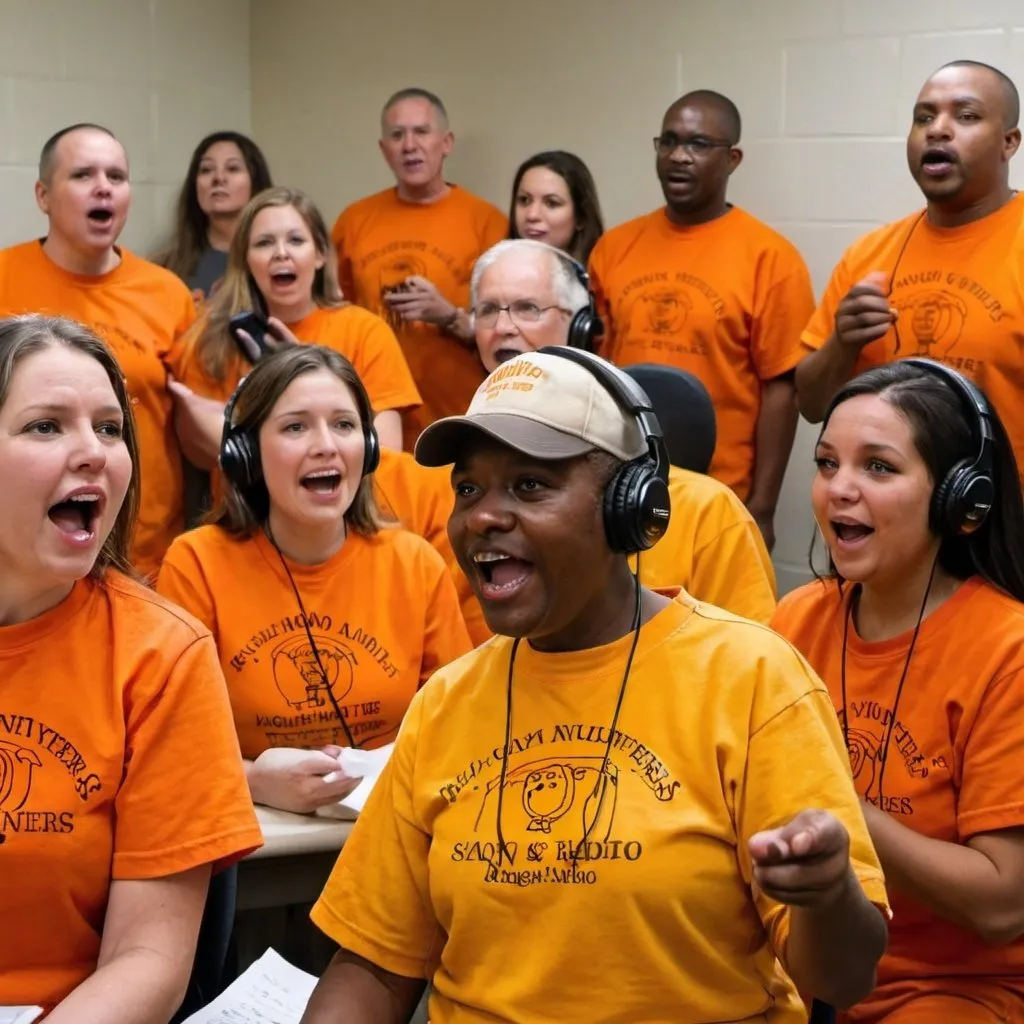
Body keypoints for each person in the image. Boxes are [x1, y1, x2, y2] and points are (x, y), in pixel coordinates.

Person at [299, 348, 888, 1023]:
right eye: (469, 489)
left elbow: (844, 974)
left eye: (528, 486)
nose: (483, 516)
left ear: (627, 510)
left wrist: (825, 892)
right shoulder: (445, 703)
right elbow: (374, 965)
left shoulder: (751, 677)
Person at [0, 314, 262, 1020]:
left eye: (111, 429)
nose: (94, 452)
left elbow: (147, 962)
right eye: (46, 426)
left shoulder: (160, 653)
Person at [773, 359, 1024, 1022]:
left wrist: (841, 810)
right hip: (798, 973)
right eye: (828, 464)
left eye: (878, 468)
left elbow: (1003, 904)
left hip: (950, 989)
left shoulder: (1010, 648)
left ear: (960, 501)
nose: (839, 490)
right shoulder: (796, 617)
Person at [157, 345, 471, 815]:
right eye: (295, 426)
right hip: (256, 848)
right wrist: (252, 781)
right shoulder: (196, 563)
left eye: (343, 424)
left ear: (366, 450)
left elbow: (459, 728)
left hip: (391, 830)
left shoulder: (415, 564)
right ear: (247, 455)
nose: (325, 444)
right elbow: (169, 745)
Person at [470, 238, 777, 623]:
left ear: (583, 327)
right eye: (487, 311)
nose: (503, 327)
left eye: (527, 308)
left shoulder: (706, 514)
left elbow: (752, 667)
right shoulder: (458, 505)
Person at [588, 90, 815, 551]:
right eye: (668, 142)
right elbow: (597, 366)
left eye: (697, 145)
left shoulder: (770, 259)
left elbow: (782, 389)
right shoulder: (614, 248)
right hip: (619, 486)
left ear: (732, 159)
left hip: (718, 494)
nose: (678, 157)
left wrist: (762, 507)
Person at [796, 61, 1024, 465]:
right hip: (884, 514)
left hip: (1004, 515)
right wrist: (842, 344)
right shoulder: (868, 255)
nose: (937, 129)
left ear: (1009, 142)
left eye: (966, 116)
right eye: (924, 117)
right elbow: (812, 405)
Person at [0, 123, 198, 579]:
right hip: (24, 559)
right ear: (43, 195)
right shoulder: (6, 276)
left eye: (117, 176)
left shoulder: (168, 292)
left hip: (145, 556)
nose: (103, 188)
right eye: (84, 175)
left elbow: (194, 435)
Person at [168, 186, 420, 497]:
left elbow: (386, 455)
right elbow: (202, 457)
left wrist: (296, 374)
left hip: (343, 520)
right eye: (263, 243)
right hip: (244, 523)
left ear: (320, 255)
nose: (281, 253)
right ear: (245, 261)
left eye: (296, 240)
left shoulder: (365, 331)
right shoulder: (212, 339)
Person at [331, 87, 506, 447]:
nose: (409, 145)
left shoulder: (487, 223)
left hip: (463, 419)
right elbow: (334, 321)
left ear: (446, 142)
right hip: (374, 421)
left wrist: (449, 315)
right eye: (397, 135)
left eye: (421, 132)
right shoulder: (353, 222)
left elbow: (513, 337)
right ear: (384, 149)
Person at [157, 130, 274, 300]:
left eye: (233, 168)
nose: (218, 178)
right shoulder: (165, 267)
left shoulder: (279, 260)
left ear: (255, 182)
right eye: (206, 169)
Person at [507, 150, 604, 264]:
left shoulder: (603, 277)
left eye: (552, 203)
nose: (532, 215)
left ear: (580, 217)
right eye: (524, 200)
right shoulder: (492, 273)